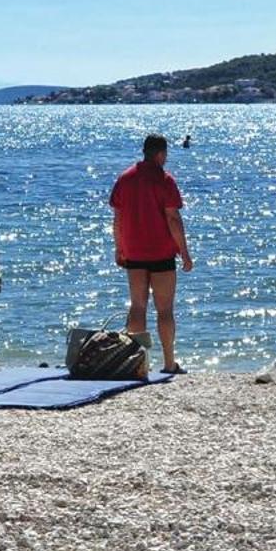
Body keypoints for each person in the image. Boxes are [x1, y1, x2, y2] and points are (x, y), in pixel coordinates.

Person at [110, 134, 192, 374]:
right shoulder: (164, 179)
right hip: (161, 252)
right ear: (160, 154)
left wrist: (119, 248)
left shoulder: (124, 179)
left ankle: (135, 363)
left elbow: (118, 219)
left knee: (137, 306)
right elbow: (173, 218)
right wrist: (185, 253)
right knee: (164, 309)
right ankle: (168, 363)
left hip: (134, 252)